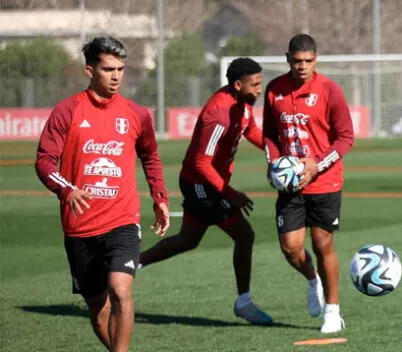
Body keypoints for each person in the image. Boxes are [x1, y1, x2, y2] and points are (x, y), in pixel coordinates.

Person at [35, 37, 170, 352]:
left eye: (121, 69)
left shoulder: (136, 114)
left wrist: (159, 197)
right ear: (89, 70)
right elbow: (43, 161)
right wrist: (66, 189)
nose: (117, 76)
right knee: (98, 312)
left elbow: (150, 156)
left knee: (121, 290)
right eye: (109, 69)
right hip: (79, 226)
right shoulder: (67, 111)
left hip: (122, 219)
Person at [138, 57, 272, 325]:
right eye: (255, 84)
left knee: (188, 241)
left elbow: (252, 130)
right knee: (244, 235)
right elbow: (201, 163)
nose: (260, 89)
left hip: (210, 184)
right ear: (237, 84)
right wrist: (229, 193)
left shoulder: (244, 104)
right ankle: (244, 302)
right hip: (200, 184)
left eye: (261, 82)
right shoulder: (219, 114)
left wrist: (275, 150)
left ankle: (129, 264)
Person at [262, 34, 354, 334]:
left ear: (316, 59)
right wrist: (274, 163)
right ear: (287, 58)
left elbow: (345, 138)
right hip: (290, 186)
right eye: (297, 61)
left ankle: (332, 310)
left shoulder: (329, 90)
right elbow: (269, 135)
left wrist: (316, 165)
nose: (302, 66)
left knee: (322, 243)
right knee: (290, 247)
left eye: (308, 61)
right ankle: (312, 279)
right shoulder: (274, 89)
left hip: (325, 182)